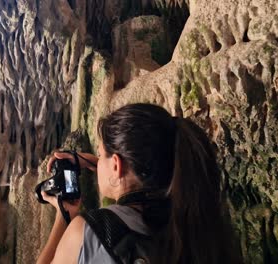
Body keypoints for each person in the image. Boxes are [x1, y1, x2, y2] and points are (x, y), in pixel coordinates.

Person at [37, 103, 241, 264]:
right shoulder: (197, 226)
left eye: (101, 155)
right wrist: (98, 161)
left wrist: (64, 216)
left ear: (117, 166)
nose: (98, 162)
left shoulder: (90, 231)